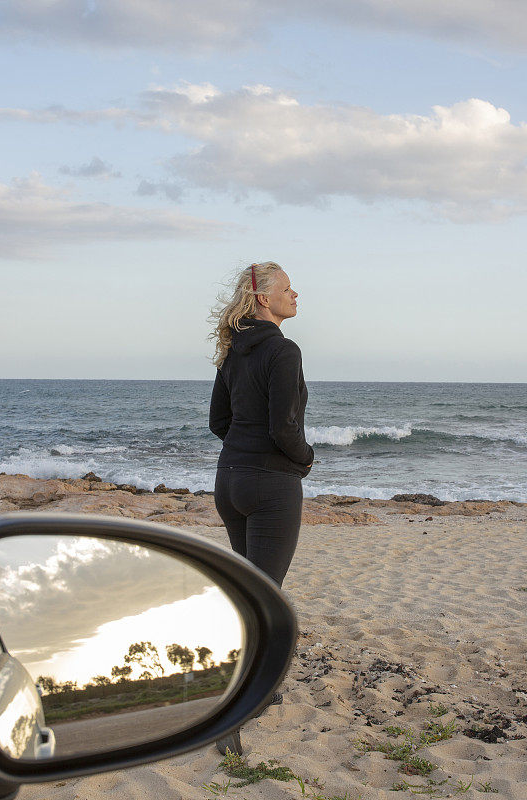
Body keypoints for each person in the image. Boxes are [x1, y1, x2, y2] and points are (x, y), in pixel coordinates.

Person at [207, 261, 313, 752]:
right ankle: (228, 715)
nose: (298, 295)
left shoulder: (233, 352)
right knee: (263, 599)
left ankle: (255, 690)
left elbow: (218, 422)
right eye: (289, 289)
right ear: (265, 299)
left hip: (229, 481)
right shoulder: (283, 350)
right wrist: (305, 460)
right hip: (270, 486)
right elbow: (285, 428)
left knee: (250, 591)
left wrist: (247, 457)